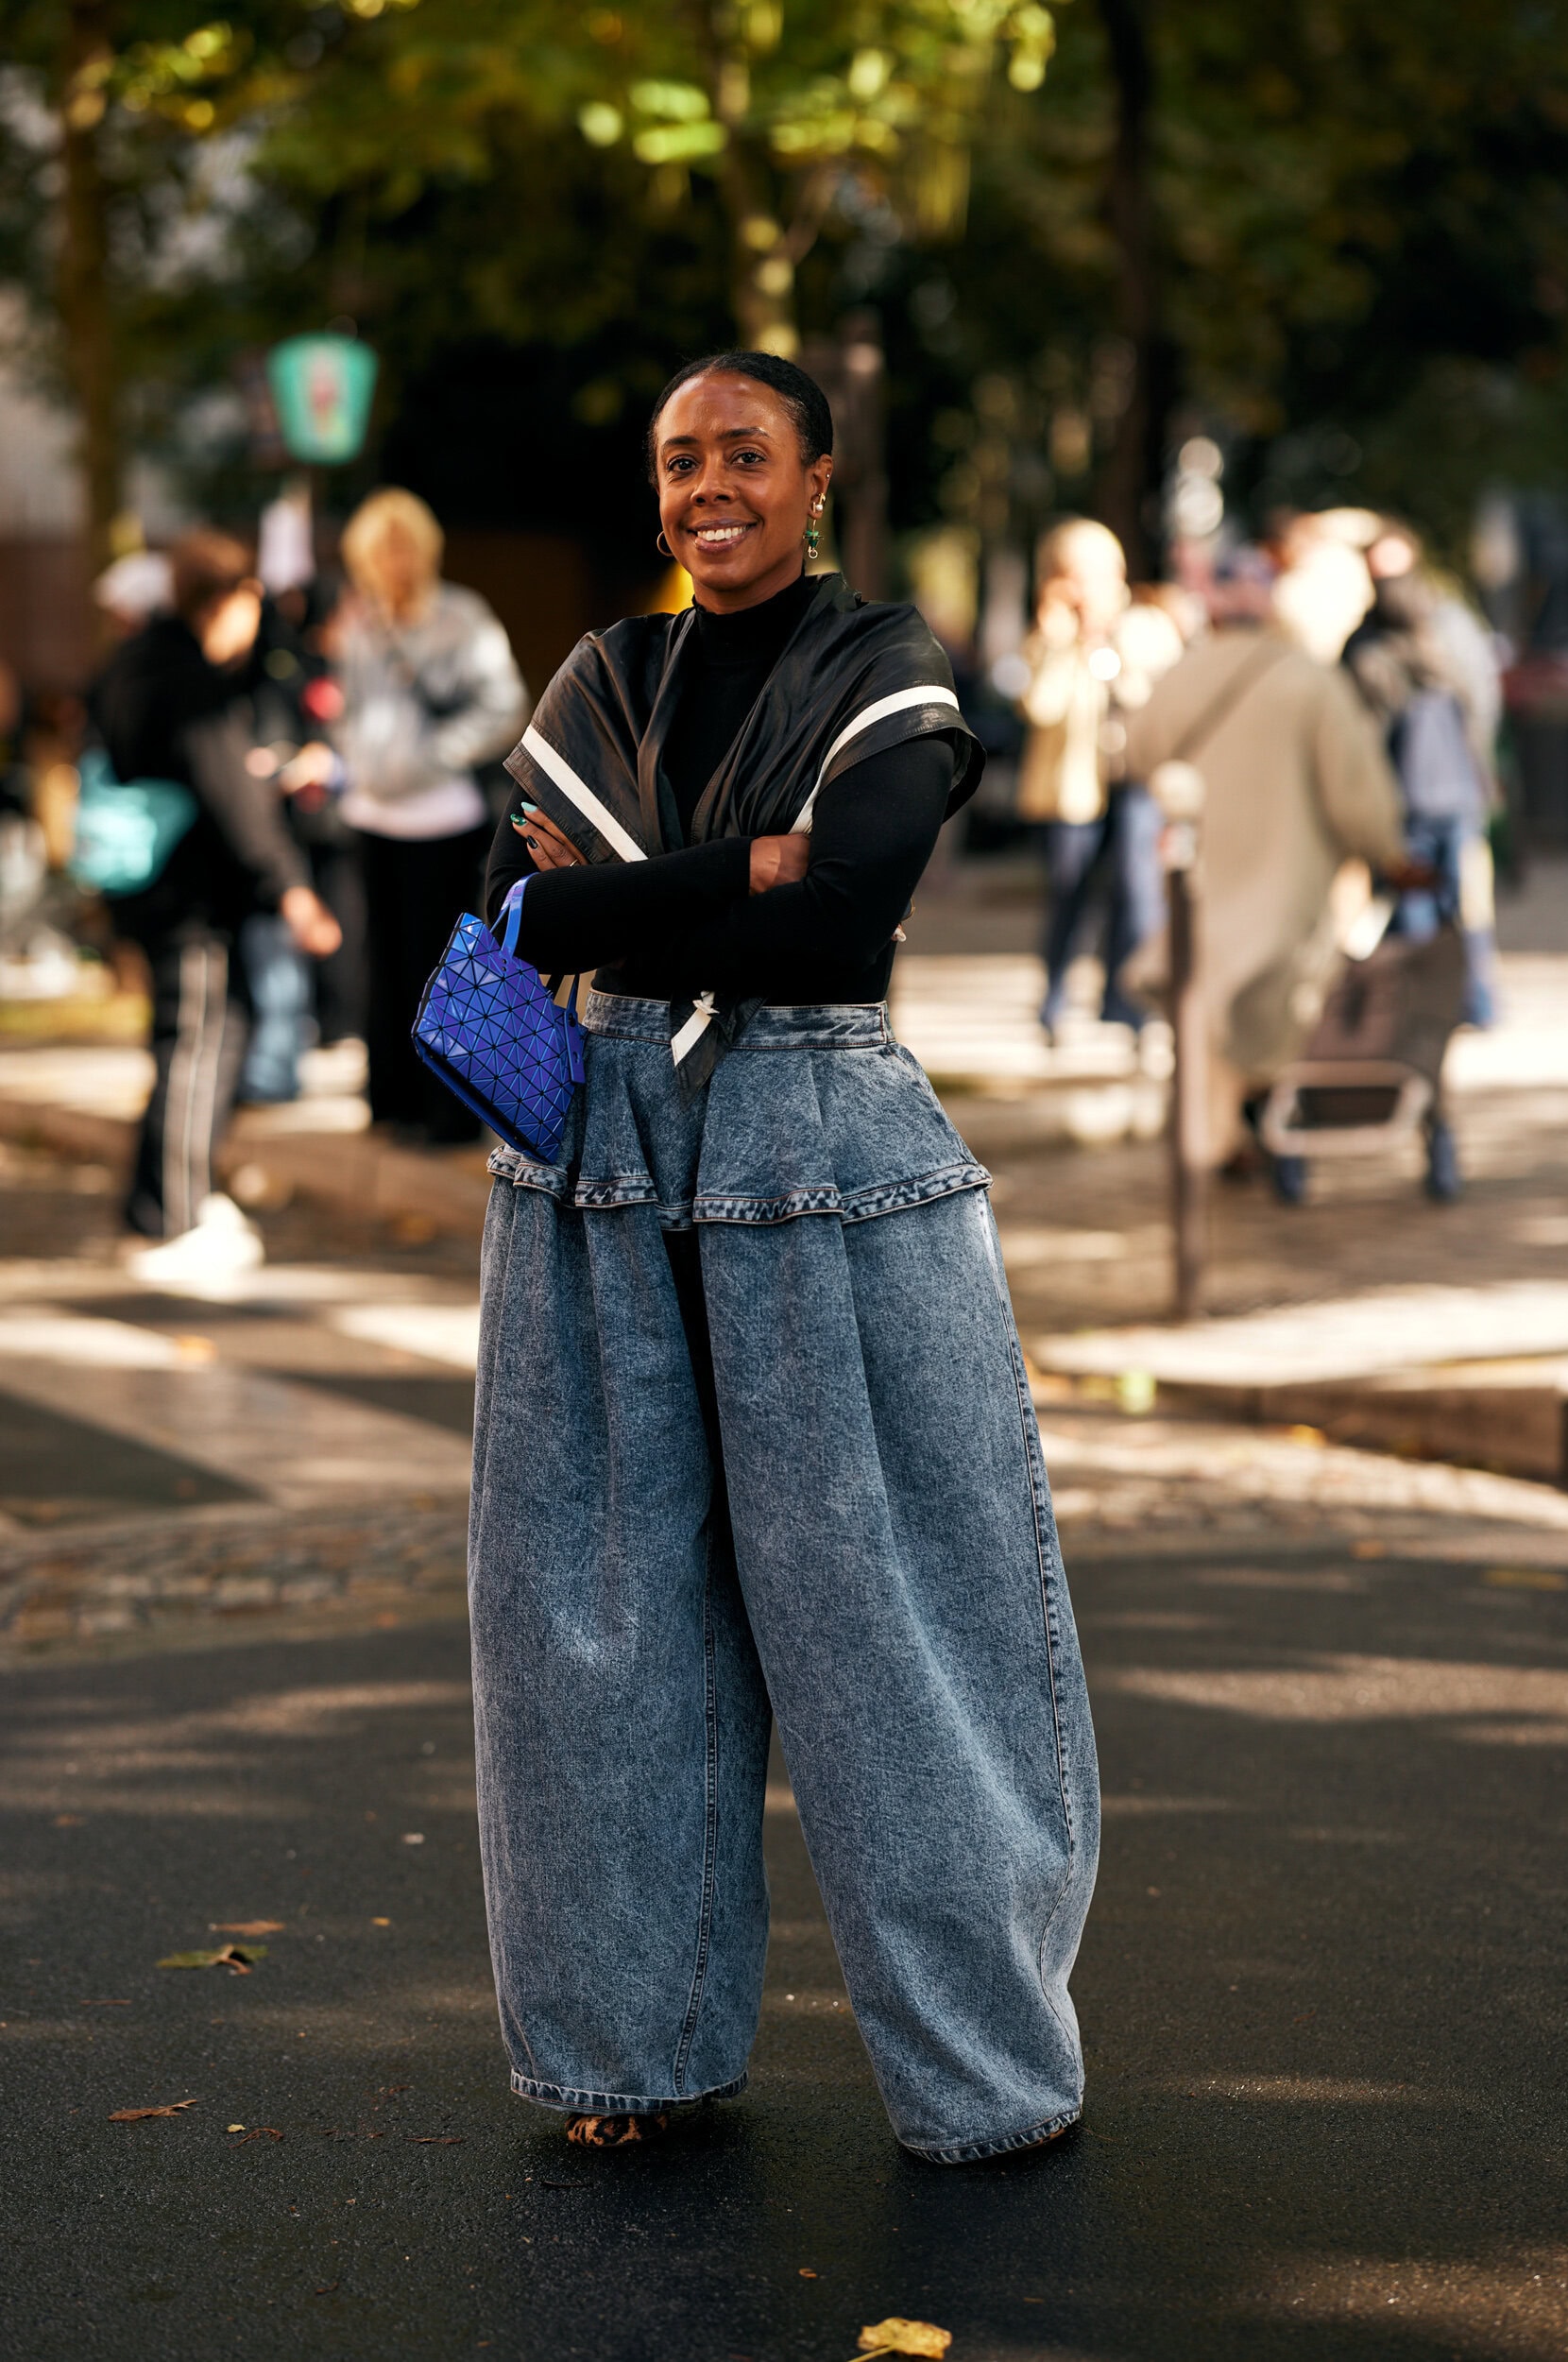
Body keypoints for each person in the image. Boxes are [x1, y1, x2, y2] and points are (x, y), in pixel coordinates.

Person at [467, 351, 1099, 2164]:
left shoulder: (886, 661)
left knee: (893, 1622)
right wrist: (734, 866)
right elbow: (503, 920)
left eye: (743, 453)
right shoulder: (607, 672)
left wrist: (628, 903)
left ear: (818, 478)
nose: (707, 487)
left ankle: (985, 2080)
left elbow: (841, 923)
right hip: (598, 1160)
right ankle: (627, 2057)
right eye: (678, 460)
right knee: (594, 1627)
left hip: (818, 1146)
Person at [87, 528, 341, 1276]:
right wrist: (292, 888)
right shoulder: (188, 678)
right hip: (188, 896)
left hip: (147, 886)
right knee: (198, 1045)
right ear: (231, 597)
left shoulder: (134, 657)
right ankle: (174, 1219)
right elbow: (233, 798)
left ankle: (155, 1205)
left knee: (192, 1039)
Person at [1125, 593, 1407, 1199]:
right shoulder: (1311, 680)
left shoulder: (1185, 672)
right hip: (1285, 877)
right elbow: (1356, 796)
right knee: (1278, 1012)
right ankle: (1263, 1135)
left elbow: (1138, 752)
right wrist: (1388, 850)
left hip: (1202, 876)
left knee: (1207, 1002)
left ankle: (1221, 1134)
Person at [329, 488, 526, 1142]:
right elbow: (350, 708)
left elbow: (502, 706)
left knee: (441, 969)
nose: (393, 561)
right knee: (380, 966)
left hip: (441, 816)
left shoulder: (462, 617)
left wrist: (434, 756)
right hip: (372, 814)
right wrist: (356, 760)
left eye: (402, 547)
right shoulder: (360, 623)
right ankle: (392, 1104)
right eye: (380, 549)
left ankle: (447, 1113)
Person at [1014, 519, 1182, 1035]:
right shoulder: (1049, 636)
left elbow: (1160, 699)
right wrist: (1062, 640)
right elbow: (1040, 707)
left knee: (1137, 891)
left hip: (1136, 783)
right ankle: (1055, 1001)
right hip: (1075, 790)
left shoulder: (1146, 624)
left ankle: (1128, 1003)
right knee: (1070, 892)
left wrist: (1110, 644)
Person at [1346, 526, 1500, 1032]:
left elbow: (1481, 704)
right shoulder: (1374, 645)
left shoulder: (1444, 631)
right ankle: (1438, 1007)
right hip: (1418, 795)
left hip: (1440, 791)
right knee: (1430, 903)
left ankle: (1464, 1002)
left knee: (1455, 902)